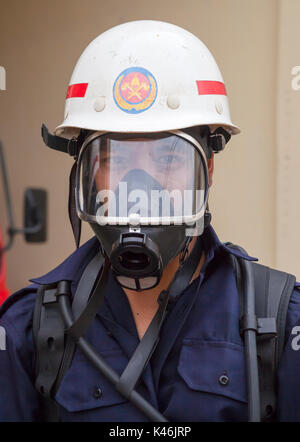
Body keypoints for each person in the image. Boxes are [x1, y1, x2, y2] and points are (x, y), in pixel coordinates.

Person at [0, 20, 299, 423]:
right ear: (88, 176)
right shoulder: (27, 331)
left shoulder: (280, 322)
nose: (139, 185)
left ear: (208, 168)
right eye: (115, 159)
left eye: (167, 158)